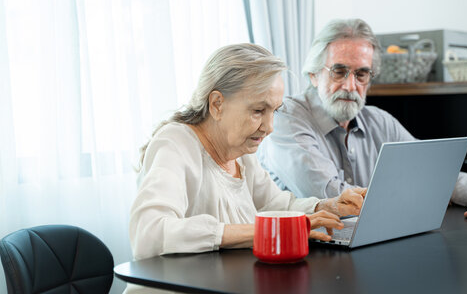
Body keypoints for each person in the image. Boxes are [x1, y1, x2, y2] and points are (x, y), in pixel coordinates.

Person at [126, 43, 366, 294]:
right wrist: (264, 232)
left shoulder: (241, 152)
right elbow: (148, 234)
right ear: (217, 104)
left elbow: (276, 206)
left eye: (274, 111)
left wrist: (327, 206)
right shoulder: (175, 142)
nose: (269, 126)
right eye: (258, 111)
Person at [258, 18, 467, 223]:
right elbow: (334, 198)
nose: (350, 85)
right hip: (306, 256)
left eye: (361, 74)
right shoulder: (285, 117)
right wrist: (420, 195)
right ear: (313, 75)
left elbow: (433, 173)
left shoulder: (379, 121)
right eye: (339, 71)